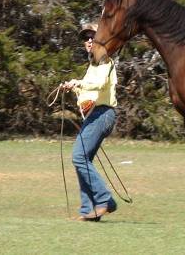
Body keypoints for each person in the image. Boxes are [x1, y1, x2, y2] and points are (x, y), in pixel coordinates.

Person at [61, 22, 118, 222]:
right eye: (86, 38)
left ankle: (104, 200)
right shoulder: (93, 64)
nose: (89, 41)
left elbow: (99, 84)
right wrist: (73, 86)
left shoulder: (105, 61)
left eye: (92, 36)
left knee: (78, 157)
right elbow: (88, 90)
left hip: (103, 115)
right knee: (83, 159)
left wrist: (80, 82)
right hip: (97, 115)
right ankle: (89, 209)